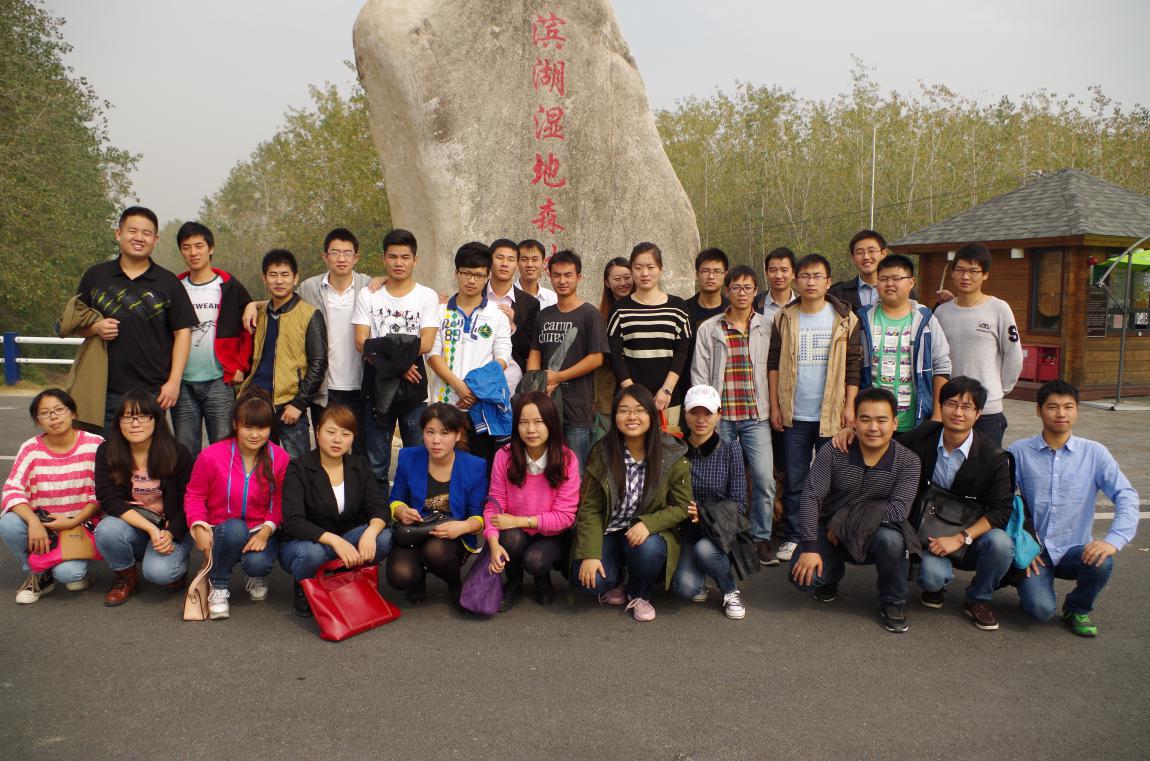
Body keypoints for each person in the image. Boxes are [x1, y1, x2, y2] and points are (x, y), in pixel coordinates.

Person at [832, 376, 1015, 630]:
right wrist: (853, 433)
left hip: (968, 534)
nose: (958, 413)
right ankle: (934, 587)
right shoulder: (925, 435)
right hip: (928, 534)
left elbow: (1001, 511)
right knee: (932, 576)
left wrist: (960, 538)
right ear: (941, 406)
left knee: (1001, 544)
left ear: (978, 414)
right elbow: (885, 445)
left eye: (966, 407)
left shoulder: (993, 456)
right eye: (951, 404)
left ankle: (978, 599)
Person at [1009, 380, 1139, 637]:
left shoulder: (1095, 453)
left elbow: (1126, 495)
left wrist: (1113, 540)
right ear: (1038, 410)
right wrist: (1020, 547)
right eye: (1053, 407)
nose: (1061, 414)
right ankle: (1026, 585)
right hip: (1036, 551)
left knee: (1102, 562)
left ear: (1077, 410)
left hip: (1075, 549)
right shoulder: (1019, 452)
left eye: (1068, 407)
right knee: (1039, 610)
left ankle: (1077, 608)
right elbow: (1001, 502)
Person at [790, 388, 921, 633]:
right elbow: (811, 497)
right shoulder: (834, 450)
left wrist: (843, 521)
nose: (873, 427)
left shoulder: (908, 461)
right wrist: (810, 547)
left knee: (893, 540)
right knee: (803, 579)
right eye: (865, 419)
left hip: (876, 533)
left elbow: (898, 510)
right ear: (854, 422)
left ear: (894, 423)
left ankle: (893, 602)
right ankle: (830, 577)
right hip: (829, 532)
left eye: (882, 420)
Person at [767, 254, 862, 562]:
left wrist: (850, 406)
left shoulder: (845, 319)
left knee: (831, 479)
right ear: (797, 280)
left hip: (831, 413)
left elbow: (853, 366)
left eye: (817, 276)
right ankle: (795, 536)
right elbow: (773, 364)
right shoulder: (784, 317)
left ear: (828, 282)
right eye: (805, 276)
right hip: (794, 414)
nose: (810, 281)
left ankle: (824, 535)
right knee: (795, 479)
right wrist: (775, 405)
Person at [572, 385, 691, 622]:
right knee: (591, 582)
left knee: (649, 550)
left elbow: (681, 506)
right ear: (615, 415)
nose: (631, 417)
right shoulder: (603, 451)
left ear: (651, 414)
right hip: (609, 529)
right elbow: (590, 507)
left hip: (645, 535)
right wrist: (590, 554)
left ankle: (640, 593)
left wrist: (648, 524)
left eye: (639, 410)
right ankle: (617, 579)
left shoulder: (670, 452)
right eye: (624, 410)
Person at [74, 206, 197, 432]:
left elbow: (183, 332)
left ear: (155, 240)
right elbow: (72, 325)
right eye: (132, 231)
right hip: (102, 389)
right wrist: (95, 328)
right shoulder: (96, 276)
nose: (139, 238)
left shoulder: (167, 282)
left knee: (148, 452)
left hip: (153, 390)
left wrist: (174, 382)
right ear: (118, 233)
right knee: (104, 451)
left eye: (146, 233)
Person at [692, 265, 777, 565]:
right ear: (727, 291)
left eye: (748, 287)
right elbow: (700, 373)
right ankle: (726, 536)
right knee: (722, 481)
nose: (742, 293)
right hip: (722, 417)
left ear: (756, 291)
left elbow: (774, 370)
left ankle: (761, 539)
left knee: (764, 479)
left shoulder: (767, 326)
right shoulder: (710, 328)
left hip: (756, 416)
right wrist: (707, 414)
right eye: (736, 288)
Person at [184, 390, 289, 620]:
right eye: (248, 427)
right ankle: (218, 585)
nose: (255, 435)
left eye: (262, 428)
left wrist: (265, 532)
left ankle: (255, 575)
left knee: (257, 563)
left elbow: (280, 501)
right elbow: (194, 495)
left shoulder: (280, 457)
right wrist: (198, 525)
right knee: (234, 529)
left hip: (260, 529)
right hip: (222, 528)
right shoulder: (211, 455)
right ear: (235, 425)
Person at [279, 404, 393, 617]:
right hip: (305, 543)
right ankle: (305, 586)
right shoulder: (299, 468)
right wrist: (335, 541)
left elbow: (379, 506)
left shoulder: (358, 465)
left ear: (353, 438)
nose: (337, 440)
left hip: (345, 538)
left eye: (345, 434)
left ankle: (344, 579)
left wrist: (370, 532)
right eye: (331, 432)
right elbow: (293, 520)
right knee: (312, 554)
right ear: (318, 431)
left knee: (384, 537)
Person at [352, 228, 440, 491]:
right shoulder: (369, 294)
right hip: (377, 386)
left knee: (417, 459)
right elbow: (361, 342)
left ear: (415, 260)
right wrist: (400, 366)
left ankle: (414, 512)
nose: (398, 262)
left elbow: (426, 342)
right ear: (384, 259)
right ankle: (379, 513)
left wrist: (382, 353)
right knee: (376, 464)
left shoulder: (426, 296)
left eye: (405, 257)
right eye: (393, 256)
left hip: (414, 388)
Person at [93, 389, 195, 606]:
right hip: (135, 525)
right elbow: (108, 498)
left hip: (172, 526)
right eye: (127, 417)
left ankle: (177, 568)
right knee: (106, 530)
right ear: (118, 422)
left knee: (160, 573)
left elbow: (190, 501)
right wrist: (150, 529)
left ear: (156, 420)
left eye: (142, 416)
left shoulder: (178, 453)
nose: (134, 424)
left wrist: (171, 532)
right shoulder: (107, 451)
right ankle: (126, 576)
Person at [1, 390, 103, 603]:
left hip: (79, 524)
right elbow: (12, 489)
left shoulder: (95, 444)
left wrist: (72, 522)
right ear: (38, 421)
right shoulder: (30, 448)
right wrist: (33, 522)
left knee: (69, 574)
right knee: (8, 523)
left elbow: (101, 492)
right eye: (45, 413)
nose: (54, 417)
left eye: (59, 410)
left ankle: (68, 568)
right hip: (42, 523)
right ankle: (38, 573)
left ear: (72, 413)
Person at [485, 392, 579, 609]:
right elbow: (494, 505)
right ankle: (514, 580)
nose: (531, 430)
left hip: (553, 534)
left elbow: (565, 517)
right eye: (523, 422)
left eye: (538, 422)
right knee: (510, 539)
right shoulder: (504, 456)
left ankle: (542, 578)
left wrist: (519, 521)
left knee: (535, 560)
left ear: (551, 423)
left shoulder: (567, 459)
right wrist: (493, 543)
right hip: (515, 532)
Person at [386, 404, 487, 603]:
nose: (436, 440)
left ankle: (455, 585)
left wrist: (463, 526)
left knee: (435, 552)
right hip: (416, 531)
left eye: (444, 433)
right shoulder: (408, 457)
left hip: (450, 536)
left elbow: (478, 515)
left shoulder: (475, 466)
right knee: (400, 575)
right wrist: (400, 510)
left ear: (457, 435)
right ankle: (417, 578)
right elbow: (395, 499)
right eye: (430, 432)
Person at [426, 242, 513, 465]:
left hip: (482, 406)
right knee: (443, 467)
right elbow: (432, 355)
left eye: (479, 275)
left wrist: (475, 388)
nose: (472, 280)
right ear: (456, 273)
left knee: (479, 467)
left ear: (488, 276)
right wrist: (459, 386)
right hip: (444, 404)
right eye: (466, 273)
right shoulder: (439, 312)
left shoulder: (497, 315)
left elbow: (503, 356)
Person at [172, 221, 253, 455]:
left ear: (211, 248)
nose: (193, 252)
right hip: (182, 382)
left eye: (199, 246)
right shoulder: (174, 287)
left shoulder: (229, 286)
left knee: (223, 448)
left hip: (219, 379)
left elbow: (247, 329)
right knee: (185, 450)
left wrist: (240, 365)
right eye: (186, 247)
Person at [933, 243, 1023, 445]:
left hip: (987, 409)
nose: (966, 277)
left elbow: (1013, 354)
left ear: (985, 274)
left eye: (973, 271)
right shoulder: (942, 312)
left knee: (986, 461)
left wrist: (1000, 390)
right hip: (950, 407)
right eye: (960, 270)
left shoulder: (999, 309)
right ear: (953, 273)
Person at [672, 385, 748, 620]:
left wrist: (703, 514)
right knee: (685, 589)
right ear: (685, 414)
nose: (701, 419)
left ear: (719, 415)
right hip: (684, 530)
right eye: (694, 412)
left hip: (718, 532)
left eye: (708, 413)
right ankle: (700, 578)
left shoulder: (731, 449)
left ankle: (729, 589)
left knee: (704, 549)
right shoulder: (675, 449)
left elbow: (739, 504)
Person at [527, 250, 608, 468]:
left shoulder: (590, 314)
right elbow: (535, 353)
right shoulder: (543, 315)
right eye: (557, 275)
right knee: (544, 466)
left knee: (575, 468)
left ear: (578, 277)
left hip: (578, 406)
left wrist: (558, 377)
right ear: (549, 276)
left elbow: (596, 358)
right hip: (545, 405)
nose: (562, 281)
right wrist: (535, 386)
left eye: (568, 275)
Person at [298, 228, 374, 452]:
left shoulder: (369, 286)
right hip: (324, 387)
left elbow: (398, 292)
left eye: (347, 253)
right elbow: (285, 304)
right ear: (325, 257)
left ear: (356, 257)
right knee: (326, 450)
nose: (342, 258)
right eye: (335, 252)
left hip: (360, 385)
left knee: (360, 451)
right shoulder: (309, 288)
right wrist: (254, 305)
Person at [857, 254, 951, 435]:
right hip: (872, 424)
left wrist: (937, 415)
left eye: (896, 278)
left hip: (914, 422)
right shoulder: (863, 319)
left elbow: (941, 365)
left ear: (911, 282)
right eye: (883, 279)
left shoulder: (926, 320)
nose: (889, 284)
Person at [606, 243, 692, 411]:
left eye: (651, 267)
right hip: (631, 400)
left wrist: (667, 390)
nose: (644, 273)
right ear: (632, 270)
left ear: (660, 269)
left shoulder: (678, 307)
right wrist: (633, 393)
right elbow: (615, 356)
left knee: (669, 430)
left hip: (668, 399)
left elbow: (682, 352)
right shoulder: (619, 310)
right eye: (638, 268)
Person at [673, 248, 730, 406]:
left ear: (725, 274)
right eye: (705, 271)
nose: (711, 276)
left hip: (726, 390)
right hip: (686, 388)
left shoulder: (732, 311)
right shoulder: (682, 310)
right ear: (696, 274)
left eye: (717, 271)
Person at [486, 237, 540, 377]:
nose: (505, 264)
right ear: (489, 260)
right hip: (476, 371)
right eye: (499, 258)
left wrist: (513, 327)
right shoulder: (475, 295)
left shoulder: (530, 304)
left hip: (512, 376)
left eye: (511, 259)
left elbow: (529, 350)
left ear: (517, 265)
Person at [594, 257, 634, 430]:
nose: (623, 283)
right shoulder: (599, 316)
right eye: (617, 279)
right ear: (607, 282)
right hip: (608, 390)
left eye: (627, 277)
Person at [828, 229, 889, 312]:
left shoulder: (900, 291)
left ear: (883, 254)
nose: (866, 257)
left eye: (871, 251)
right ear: (853, 258)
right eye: (859, 252)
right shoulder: (837, 294)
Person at [755, 246, 797, 319]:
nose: (778, 276)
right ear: (766, 273)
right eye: (773, 270)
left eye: (784, 270)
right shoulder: (754, 303)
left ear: (793, 273)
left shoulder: (803, 304)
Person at [517, 238, 558, 309]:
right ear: (517, 263)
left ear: (543, 263)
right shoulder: (508, 296)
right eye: (524, 259)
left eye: (535, 259)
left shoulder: (553, 299)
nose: (530, 265)